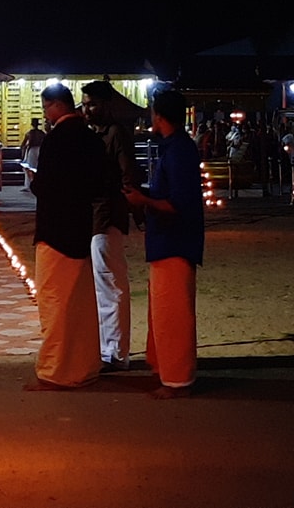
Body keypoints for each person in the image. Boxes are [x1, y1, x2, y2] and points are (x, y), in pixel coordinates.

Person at [125, 87, 204, 398]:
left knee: (174, 314)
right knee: (163, 311)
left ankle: (178, 379)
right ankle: (165, 369)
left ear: (158, 116)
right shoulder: (175, 148)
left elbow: (178, 204)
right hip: (167, 242)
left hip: (175, 241)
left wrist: (143, 198)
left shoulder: (180, 151)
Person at [24, 84, 103, 390]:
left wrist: (34, 181)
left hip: (56, 229)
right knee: (80, 302)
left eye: (46, 108)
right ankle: (84, 364)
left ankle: (56, 369)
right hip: (80, 226)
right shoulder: (89, 137)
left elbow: (47, 186)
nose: (45, 115)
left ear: (56, 106)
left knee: (55, 301)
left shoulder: (57, 139)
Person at [81, 80, 141, 370]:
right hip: (96, 216)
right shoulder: (95, 135)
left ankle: (116, 353)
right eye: (84, 104)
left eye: (91, 104)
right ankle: (108, 349)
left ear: (105, 105)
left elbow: (128, 176)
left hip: (107, 215)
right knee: (101, 284)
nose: (86, 109)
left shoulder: (116, 134)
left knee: (110, 284)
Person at [19, 118, 45, 191]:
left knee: (30, 168)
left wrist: (23, 152)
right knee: (38, 168)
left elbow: (23, 144)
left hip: (32, 150)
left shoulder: (30, 133)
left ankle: (29, 185)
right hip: (40, 149)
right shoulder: (42, 133)